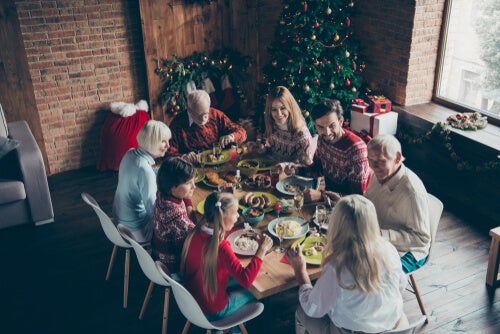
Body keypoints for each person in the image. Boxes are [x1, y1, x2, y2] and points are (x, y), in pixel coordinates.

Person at [286, 195, 408, 334]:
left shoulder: (336, 267)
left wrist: (300, 271)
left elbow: (312, 309)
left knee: (301, 311)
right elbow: (401, 286)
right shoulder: (389, 249)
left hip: (351, 332)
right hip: (395, 328)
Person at [180, 191, 273, 332]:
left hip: (192, 301)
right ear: (223, 217)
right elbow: (246, 279)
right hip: (214, 310)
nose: (238, 216)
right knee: (257, 291)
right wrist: (262, 249)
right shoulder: (221, 247)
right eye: (235, 213)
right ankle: (232, 329)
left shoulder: (195, 233)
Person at [364, 134, 431, 273]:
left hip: (409, 252)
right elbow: (368, 201)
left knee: (372, 277)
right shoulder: (380, 174)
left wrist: (381, 235)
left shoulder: (411, 192)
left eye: (380, 161)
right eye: (370, 160)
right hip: (379, 240)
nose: (374, 166)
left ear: (397, 158)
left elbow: (421, 239)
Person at [286, 99, 371, 202]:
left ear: (340, 121)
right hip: (327, 201)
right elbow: (318, 169)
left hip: (348, 209)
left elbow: (357, 198)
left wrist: (321, 196)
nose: (327, 132)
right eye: (321, 127)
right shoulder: (322, 139)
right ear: (315, 125)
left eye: (332, 125)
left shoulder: (357, 151)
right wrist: (295, 169)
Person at [113, 120, 172, 244]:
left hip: (120, 220)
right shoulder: (144, 170)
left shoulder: (130, 153)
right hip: (135, 231)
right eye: (163, 141)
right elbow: (153, 210)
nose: (168, 146)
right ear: (151, 141)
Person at [168, 90, 247, 163]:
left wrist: (232, 137)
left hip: (219, 162)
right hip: (192, 167)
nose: (203, 119)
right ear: (189, 108)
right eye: (198, 115)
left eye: (205, 114)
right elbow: (168, 154)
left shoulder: (216, 115)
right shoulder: (177, 124)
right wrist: (184, 157)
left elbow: (242, 133)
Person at [152, 157, 197, 273]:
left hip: (159, 253)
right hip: (174, 264)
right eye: (188, 183)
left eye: (193, 181)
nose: (194, 187)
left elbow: (185, 199)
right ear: (172, 186)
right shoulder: (175, 215)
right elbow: (199, 237)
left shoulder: (162, 193)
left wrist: (189, 204)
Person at [262, 86, 314, 164]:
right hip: (272, 171)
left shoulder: (301, 134)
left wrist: (285, 167)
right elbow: (272, 152)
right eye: (274, 109)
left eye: (283, 108)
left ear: (290, 107)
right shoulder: (273, 125)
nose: (279, 114)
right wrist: (262, 149)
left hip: (292, 175)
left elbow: (307, 165)